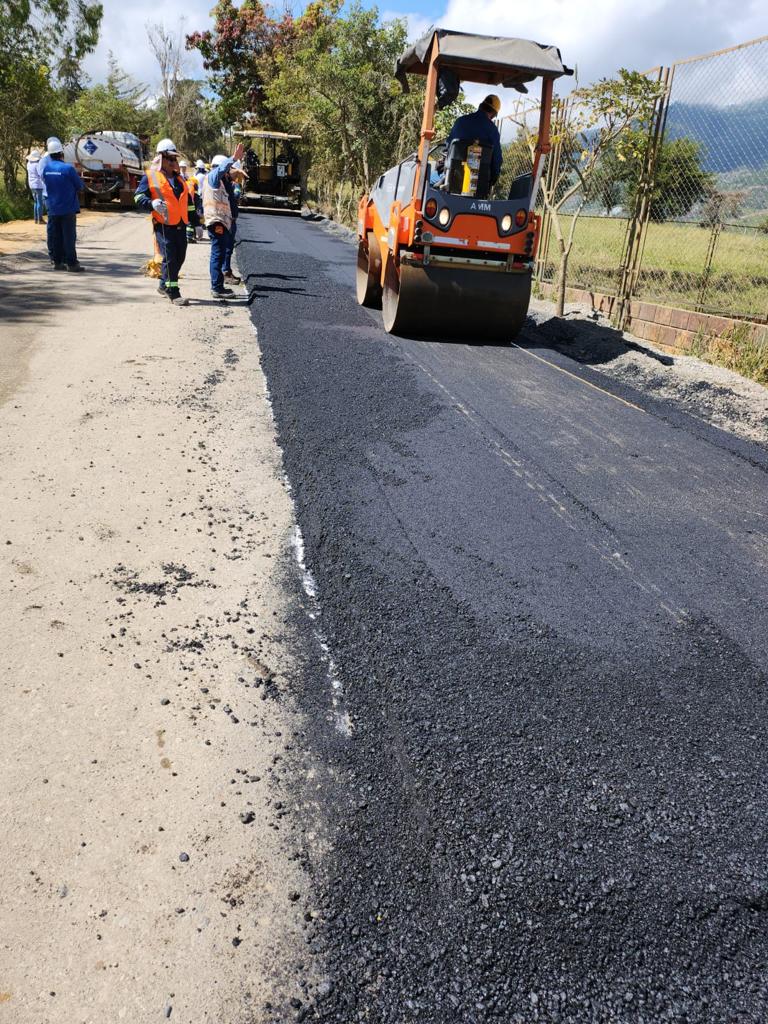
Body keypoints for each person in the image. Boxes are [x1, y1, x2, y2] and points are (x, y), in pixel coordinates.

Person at [134, 138, 191, 306]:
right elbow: (138, 196)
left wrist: (196, 222)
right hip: (164, 225)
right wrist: (151, 203)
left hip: (180, 225)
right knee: (170, 258)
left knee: (180, 257)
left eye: (175, 158)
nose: (174, 162)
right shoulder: (151, 176)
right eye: (170, 158)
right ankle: (173, 292)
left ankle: (163, 284)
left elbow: (188, 202)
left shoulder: (179, 179)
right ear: (161, 158)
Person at [202, 144, 244, 299]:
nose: (228, 172)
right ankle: (216, 287)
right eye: (227, 169)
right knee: (218, 254)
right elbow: (221, 169)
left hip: (222, 222)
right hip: (216, 222)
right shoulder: (214, 177)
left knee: (219, 254)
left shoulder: (222, 182)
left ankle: (218, 286)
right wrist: (233, 158)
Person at [41, 138, 85, 271]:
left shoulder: (46, 169)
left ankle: (57, 262)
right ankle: (72, 264)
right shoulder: (68, 168)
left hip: (52, 208)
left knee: (56, 236)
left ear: (50, 155)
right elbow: (79, 186)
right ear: (62, 153)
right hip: (67, 208)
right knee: (69, 237)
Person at [446, 93, 503, 189]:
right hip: (479, 185)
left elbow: (448, 148)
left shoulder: (460, 121)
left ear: (481, 106)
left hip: (452, 180)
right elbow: (497, 160)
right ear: (493, 114)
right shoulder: (492, 130)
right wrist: (492, 181)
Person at [178, 161, 198, 244]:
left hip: (189, 199)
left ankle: (189, 235)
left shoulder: (187, 177)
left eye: (184, 167)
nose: (183, 168)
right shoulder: (178, 176)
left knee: (189, 219)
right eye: (182, 167)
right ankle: (188, 236)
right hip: (183, 200)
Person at [26, 148, 45, 224]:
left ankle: (36, 219)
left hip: (31, 185)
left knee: (35, 202)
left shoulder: (28, 164)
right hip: (38, 185)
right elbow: (40, 174)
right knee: (40, 202)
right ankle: (40, 219)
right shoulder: (37, 165)